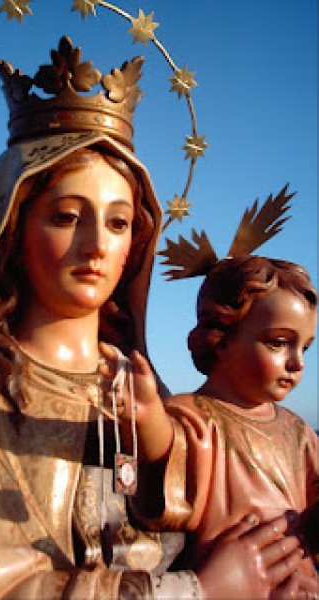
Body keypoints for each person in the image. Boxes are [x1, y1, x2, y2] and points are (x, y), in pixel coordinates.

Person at [0, 36, 308, 599]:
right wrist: (198, 590)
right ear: (13, 228)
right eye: (67, 216)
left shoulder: (139, 389)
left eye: (119, 223)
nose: (97, 244)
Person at [101, 192, 318, 596]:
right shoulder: (195, 415)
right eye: (278, 343)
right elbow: (167, 451)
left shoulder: (298, 433)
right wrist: (146, 417)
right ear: (220, 338)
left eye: (305, 347)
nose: (297, 363)